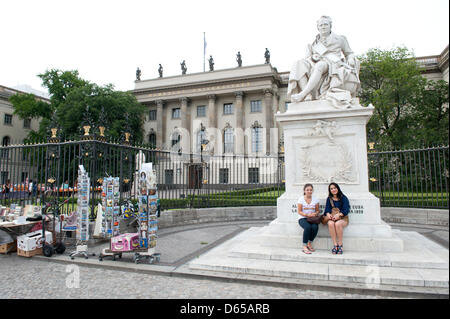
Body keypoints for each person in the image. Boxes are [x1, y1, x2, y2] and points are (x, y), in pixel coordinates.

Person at [287, 16, 360, 106]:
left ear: (330, 26)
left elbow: (349, 53)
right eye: (321, 25)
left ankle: (303, 94)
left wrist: (351, 58)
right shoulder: (313, 44)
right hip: (316, 63)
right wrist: (313, 57)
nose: (323, 27)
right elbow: (307, 59)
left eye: (325, 24)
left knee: (320, 65)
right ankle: (308, 95)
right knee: (298, 64)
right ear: (318, 27)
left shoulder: (340, 39)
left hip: (333, 64)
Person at [323, 182, 350, 254]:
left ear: (337, 188)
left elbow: (346, 210)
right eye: (331, 189)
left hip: (342, 218)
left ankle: (340, 245)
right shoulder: (329, 199)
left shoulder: (343, 198)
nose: (333, 190)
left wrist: (339, 215)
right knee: (330, 223)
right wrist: (328, 214)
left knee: (338, 224)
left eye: (335, 188)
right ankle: (335, 245)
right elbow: (327, 210)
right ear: (330, 190)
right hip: (332, 217)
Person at [297, 183, 320, 254]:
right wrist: (307, 215)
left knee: (315, 227)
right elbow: (299, 211)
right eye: (307, 190)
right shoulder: (301, 199)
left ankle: (309, 243)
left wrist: (315, 214)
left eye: (311, 190)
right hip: (303, 218)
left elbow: (317, 210)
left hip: (312, 218)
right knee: (307, 227)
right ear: (304, 191)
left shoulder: (315, 200)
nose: (309, 191)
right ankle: (304, 246)